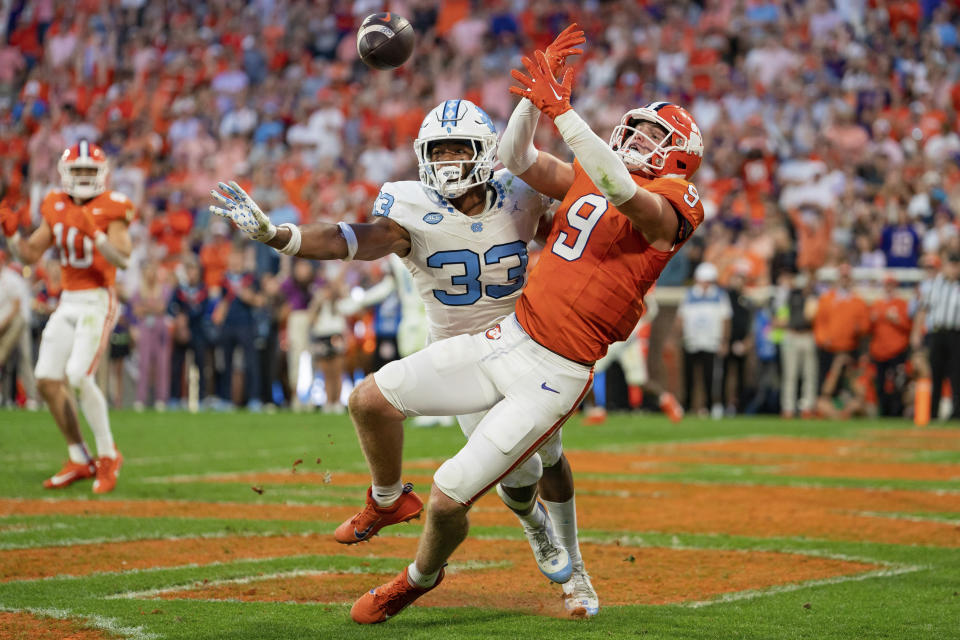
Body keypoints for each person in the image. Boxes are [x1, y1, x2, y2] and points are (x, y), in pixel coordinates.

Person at [213, 25, 702, 624]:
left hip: (557, 364)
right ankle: (392, 501)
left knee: (519, 473)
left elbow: (617, 191)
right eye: (437, 150)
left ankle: (538, 561)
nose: (447, 162)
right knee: (376, 404)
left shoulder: (673, 198)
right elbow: (375, 231)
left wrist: (563, 112)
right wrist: (279, 236)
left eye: (655, 134)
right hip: (500, 338)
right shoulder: (425, 199)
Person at [1, 140, 133, 493]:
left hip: (98, 299)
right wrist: (13, 236)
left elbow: (123, 257)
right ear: (66, 174)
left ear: (102, 174)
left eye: (91, 171)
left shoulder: (112, 206)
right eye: (80, 171)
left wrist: (98, 236)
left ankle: (108, 455)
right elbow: (30, 255)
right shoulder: (55, 204)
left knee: (77, 374)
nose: (85, 177)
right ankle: (79, 456)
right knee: (45, 378)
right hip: (69, 300)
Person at [676, 262, 731, 417]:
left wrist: (724, 341)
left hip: (711, 342)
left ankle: (709, 406)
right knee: (688, 376)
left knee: (710, 377)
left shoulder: (719, 295)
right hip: (691, 341)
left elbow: (726, 319)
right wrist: (678, 336)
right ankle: (686, 406)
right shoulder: (689, 295)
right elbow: (681, 318)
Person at [911, 252, 960, 421]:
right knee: (935, 372)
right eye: (951, 265)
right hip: (938, 333)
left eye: (956, 266)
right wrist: (916, 332)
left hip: (956, 334)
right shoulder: (935, 284)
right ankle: (932, 412)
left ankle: (956, 412)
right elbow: (923, 309)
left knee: (956, 374)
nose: (954, 270)